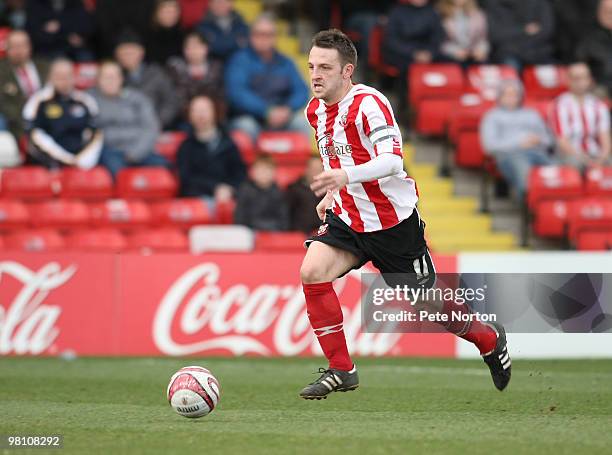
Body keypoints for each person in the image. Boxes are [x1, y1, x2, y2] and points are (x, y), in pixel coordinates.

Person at [298, 29, 511, 400]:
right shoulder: (314, 110)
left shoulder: (369, 103)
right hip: (348, 218)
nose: (316, 74)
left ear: (347, 71)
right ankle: (341, 369)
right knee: (311, 271)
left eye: (325, 67)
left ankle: (487, 337)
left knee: (427, 302)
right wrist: (335, 191)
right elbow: (339, 156)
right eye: (312, 66)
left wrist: (345, 177)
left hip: (392, 224)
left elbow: (393, 161)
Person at [225, 14, 310, 140]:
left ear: (275, 37)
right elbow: (237, 93)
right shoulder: (239, 60)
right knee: (246, 126)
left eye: (268, 34)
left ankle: (294, 160)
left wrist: (287, 109)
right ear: (251, 36)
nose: (264, 39)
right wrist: (266, 111)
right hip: (251, 117)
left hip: (282, 116)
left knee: (301, 124)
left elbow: (302, 90)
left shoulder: (286, 62)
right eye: (259, 34)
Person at [91, 61, 167, 178]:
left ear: (121, 79)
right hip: (109, 151)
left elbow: (151, 127)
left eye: (114, 77)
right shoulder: (89, 100)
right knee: (121, 175)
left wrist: (135, 153)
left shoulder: (138, 98)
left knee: (164, 169)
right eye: (106, 77)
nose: (110, 81)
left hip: (139, 149)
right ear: (98, 80)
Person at [22, 58, 103, 170]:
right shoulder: (38, 102)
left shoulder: (85, 101)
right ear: (50, 77)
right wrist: (66, 160)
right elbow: (33, 136)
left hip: (81, 164)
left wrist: (83, 160)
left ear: (74, 77)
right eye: (59, 76)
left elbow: (96, 134)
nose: (64, 80)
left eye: (68, 75)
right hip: (47, 165)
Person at [480, 80, 554, 199]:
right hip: (510, 156)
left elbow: (548, 140)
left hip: (538, 153)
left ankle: (552, 205)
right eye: (507, 94)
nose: (511, 98)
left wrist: (538, 140)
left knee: (560, 171)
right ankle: (529, 208)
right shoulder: (492, 116)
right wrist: (519, 143)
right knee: (524, 171)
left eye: (515, 94)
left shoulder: (532, 114)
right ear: (499, 96)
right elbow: (489, 146)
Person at [176, 96, 246, 206]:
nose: (200, 115)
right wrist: (215, 188)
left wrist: (229, 189)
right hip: (198, 201)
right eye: (195, 111)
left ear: (214, 112)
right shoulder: (185, 148)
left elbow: (239, 174)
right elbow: (186, 179)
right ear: (189, 115)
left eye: (204, 110)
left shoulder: (229, 144)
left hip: (228, 198)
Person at [549, 62, 611, 170]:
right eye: (576, 78)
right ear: (568, 80)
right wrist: (585, 160)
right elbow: (562, 142)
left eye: (584, 77)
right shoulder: (559, 105)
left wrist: (602, 158)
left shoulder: (599, 106)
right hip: (571, 155)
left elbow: (605, 138)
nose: (580, 82)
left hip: (595, 153)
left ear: (590, 80)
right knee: (575, 165)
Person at [115, 31, 180, 129]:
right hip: (125, 129)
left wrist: (158, 122)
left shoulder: (156, 73)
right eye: (124, 53)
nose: (127, 57)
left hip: (156, 126)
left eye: (131, 52)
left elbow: (171, 101)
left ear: (141, 52)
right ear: (117, 55)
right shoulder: (114, 76)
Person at [0, 30, 49, 141]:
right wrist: (28, 121)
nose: (18, 50)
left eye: (22, 45)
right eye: (14, 46)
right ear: (7, 48)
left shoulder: (45, 67)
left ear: (29, 46)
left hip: (48, 122)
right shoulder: (1, 71)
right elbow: (3, 104)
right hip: (17, 125)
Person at [167, 32, 224, 118]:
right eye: (188, 47)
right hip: (182, 117)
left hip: (212, 117)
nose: (193, 51)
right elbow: (172, 97)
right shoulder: (175, 68)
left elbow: (221, 96)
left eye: (197, 47)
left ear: (206, 48)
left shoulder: (217, 68)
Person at [486, 0, 555, 69]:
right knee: (510, 67)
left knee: (552, 73)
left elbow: (546, 31)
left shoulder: (540, 3)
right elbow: (496, 35)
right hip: (509, 52)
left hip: (538, 51)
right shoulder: (494, 4)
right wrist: (524, 30)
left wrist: (515, 34)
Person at [382, 0, 445, 73]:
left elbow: (438, 37)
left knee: (450, 64)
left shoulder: (432, 12)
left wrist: (430, 52)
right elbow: (392, 40)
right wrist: (413, 53)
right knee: (410, 68)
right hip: (402, 53)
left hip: (427, 52)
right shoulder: (396, 12)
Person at [234, 154, 289, 231]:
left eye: (267, 169)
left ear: (273, 172)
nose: (263, 173)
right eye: (259, 169)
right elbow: (239, 220)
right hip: (249, 234)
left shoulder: (279, 193)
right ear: (253, 171)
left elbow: (283, 222)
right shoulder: (244, 190)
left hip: (272, 235)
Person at [25, 0, 94, 62]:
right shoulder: (35, 4)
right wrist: (67, 36)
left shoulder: (75, 3)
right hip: (48, 48)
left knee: (86, 58)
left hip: (74, 48)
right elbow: (35, 33)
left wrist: (60, 26)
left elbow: (85, 26)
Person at [576, 0, 612, 97]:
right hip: (601, 88)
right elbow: (579, 62)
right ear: (599, 12)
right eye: (606, 11)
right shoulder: (589, 37)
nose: (609, 15)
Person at [438, 0, 489, 65]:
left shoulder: (477, 13)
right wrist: (454, 51)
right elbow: (439, 42)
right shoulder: (441, 13)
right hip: (451, 57)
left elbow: (483, 37)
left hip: (473, 55)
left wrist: (481, 49)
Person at [285, 156, 324, 234]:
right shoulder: (293, 189)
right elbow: (286, 214)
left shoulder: (328, 192)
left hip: (321, 233)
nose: (316, 173)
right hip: (297, 234)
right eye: (313, 169)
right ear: (306, 169)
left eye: (319, 170)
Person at [145, 0, 184, 66]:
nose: (170, 15)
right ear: (157, 13)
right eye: (166, 12)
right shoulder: (147, 36)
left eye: (173, 12)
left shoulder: (183, 35)